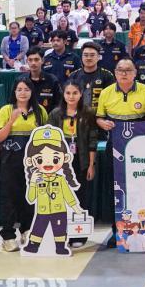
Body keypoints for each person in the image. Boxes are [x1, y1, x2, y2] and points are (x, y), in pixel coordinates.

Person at [0, 79, 46, 251]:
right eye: (19, 89)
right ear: (14, 92)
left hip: (33, 162)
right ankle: (8, 236)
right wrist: (11, 121)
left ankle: (27, 230)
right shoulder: (6, 110)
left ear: (32, 92)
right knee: (9, 198)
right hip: (10, 160)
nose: (23, 93)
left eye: (26, 89)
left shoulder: (40, 111)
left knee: (30, 197)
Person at [48, 81, 97, 247]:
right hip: (61, 163)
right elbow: (50, 141)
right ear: (63, 95)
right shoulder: (55, 114)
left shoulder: (88, 113)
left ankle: (79, 235)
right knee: (61, 198)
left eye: (75, 93)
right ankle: (62, 233)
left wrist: (91, 165)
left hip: (81, 161)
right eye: (68, 93)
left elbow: (92, 140)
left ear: (81, 94)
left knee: (80, 197)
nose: (71, 96)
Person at [96, 60, 145, 129]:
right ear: (115, 72)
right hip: (114, 134)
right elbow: (99, 118)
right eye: (120, 70)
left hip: (140, 134)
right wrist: (102, 123)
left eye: (128, 70)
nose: (124, 74)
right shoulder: (105, 92)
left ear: (135, 73)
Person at [70, 42, 115, 108]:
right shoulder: (73, 75)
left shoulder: (107, 76)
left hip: (100, 113)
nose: (88, 58)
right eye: (85, 55)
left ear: (98, 57)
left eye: (92, 55)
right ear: (81, 57)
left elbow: (111, 99)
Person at [18, 48, 62, 113]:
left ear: (42, 60)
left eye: (36, 59)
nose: (33, 63)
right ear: (27, 61)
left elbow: (59, 103)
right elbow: (13, 102)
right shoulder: (20, 80)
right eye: (30, 60)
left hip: (48, 117)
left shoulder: (52, 80)